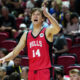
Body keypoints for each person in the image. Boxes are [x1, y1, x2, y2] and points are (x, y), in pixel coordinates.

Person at [0, 5, 61, 80]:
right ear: (31, 18)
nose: (35, 16)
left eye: (38, 14)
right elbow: (14, 53)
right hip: (32, 71)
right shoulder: (26, 34)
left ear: (42, 19)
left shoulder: (46, 31)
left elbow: (57, 28)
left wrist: (48, 15)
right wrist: (4, 58)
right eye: (33, 15)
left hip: (44, 70)